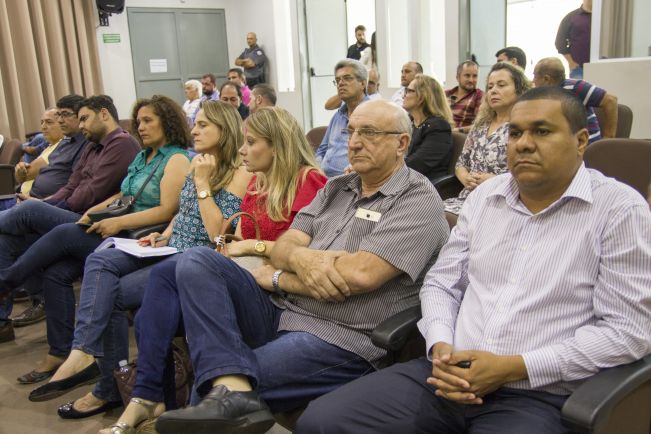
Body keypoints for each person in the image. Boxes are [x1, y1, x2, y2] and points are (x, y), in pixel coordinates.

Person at [294, 86, 651, 434]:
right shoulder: (485, 198)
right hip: (443, 373)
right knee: (319, 421)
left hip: (536, 393)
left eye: (542, 131)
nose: (524, 143)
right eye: (515, 133)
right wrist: (441, 345)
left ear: (581, 141)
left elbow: (627, 332)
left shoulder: (619, 210)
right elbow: (441, 282)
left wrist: (515, 367)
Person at [154, 99, 450, 434]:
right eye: (351, 131)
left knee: (211, 394)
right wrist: (303, 259)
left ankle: (228, 392)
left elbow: (359, 276)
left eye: (369, 133)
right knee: (197, 261)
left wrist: (278, 278)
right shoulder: (336, 188)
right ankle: (231, 387)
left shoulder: (418, 200)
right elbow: (284, 246)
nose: (354, 142)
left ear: (402, 143)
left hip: (341, 335)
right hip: (283, 311)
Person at [99, 106, 330, 434]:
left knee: (178, 269)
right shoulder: (258, 182)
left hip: (279, 291)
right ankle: (150, 395)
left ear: (277, 146)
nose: (243, 149)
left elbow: (304, 253)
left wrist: (248, 245)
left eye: (251, 142)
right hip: (244, 275)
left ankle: (151, 397)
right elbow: (228, 235)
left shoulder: (309, 181)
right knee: (160, 285)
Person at [50, 100, 251, 420]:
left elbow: (218, 235)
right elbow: (183, 212)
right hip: (170, 248)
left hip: (196, 260)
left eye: (203, 125)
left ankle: (112, 385)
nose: (194, 130)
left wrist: (202, 184)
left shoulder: (239, 173)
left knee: (112, 295)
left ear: (224, 130)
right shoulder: (198, 161)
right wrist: (164, 234)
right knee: (100, 262)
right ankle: (84, 351)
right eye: (195, 124)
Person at [0, 95, 191, 394]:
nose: (140, 127)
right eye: (138, 121)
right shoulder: (143, 156)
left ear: (167, 122)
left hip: (140, 236)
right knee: (56, 272)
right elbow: (123, 195)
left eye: (148, 120)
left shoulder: (176, 158)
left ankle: (6, 282)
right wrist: (95, 211)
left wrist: (118, 222)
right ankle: (61, 352)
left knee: (56, 229)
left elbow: (167, 210)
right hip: (116, 228)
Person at [0, 94, 138, 344]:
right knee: (7, 242)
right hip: (75, 215)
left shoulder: (122, 144)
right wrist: (47, 205)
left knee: (28, 211)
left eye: (84, 119)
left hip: (98, 222)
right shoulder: (93, 146)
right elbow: (72, 185)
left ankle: (4, 284)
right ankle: (55, 348)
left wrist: (48, 207)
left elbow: (92, 193)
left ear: (104, 114)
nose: (81, 125)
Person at [444, 62, 531, 215]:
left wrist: (495, 180)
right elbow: (461, 163)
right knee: (426, 213)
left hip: (504, 201)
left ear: (519, 90)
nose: (493, 91)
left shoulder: (524, 128)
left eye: (501, 85)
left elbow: (529, 175)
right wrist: (466, 178)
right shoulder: (480, 126)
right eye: (490, 87)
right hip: (469, 198)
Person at [533, 57, 617, 143]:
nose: (533, 81)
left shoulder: (575, 87)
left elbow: (610, 101)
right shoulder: (546, 95)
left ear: (546, 79)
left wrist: (608, 138)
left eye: (535, 76)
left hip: (586, 144)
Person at [316, 59, 369, 177]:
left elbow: (374, 156)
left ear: (362, 84)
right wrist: (317, 168)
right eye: (337, 80)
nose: (340, 83)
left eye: (347, 78)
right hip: (324, 178)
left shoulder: (373, 114)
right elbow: (322, 149)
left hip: (352, 179)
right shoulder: (338, 115)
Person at [403, 74, 454, 182]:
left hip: (424, 185)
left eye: (409, 91)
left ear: (422, 97)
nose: (404, 96)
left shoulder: (439, 127)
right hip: (405, 179)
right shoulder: (409, 122)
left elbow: (417, 164)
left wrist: (387, 170)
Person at [15, 108, 64, 199]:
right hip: (22, 196)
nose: (43, 127)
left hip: (31, 201)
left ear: (62, 124)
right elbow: (20, 178)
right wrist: (20, 170)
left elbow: (27, 174)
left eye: (49, 122)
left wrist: (19, 170)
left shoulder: (61, 147)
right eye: (42, 122)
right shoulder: (49, 146)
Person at [556, 0, 592, 79]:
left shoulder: (603, 18)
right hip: (578, 68)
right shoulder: (571, 17)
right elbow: (559, 43)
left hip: (600, 66)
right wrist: (571, 62)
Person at [446, 60, 484, 132]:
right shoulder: (446, 94)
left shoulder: (479, 96)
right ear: (458, 77)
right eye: (467, 75)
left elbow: (480, 125)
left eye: (475, 76)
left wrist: (456, 130)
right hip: (441, 132)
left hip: (461, 136)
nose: (471, 80)